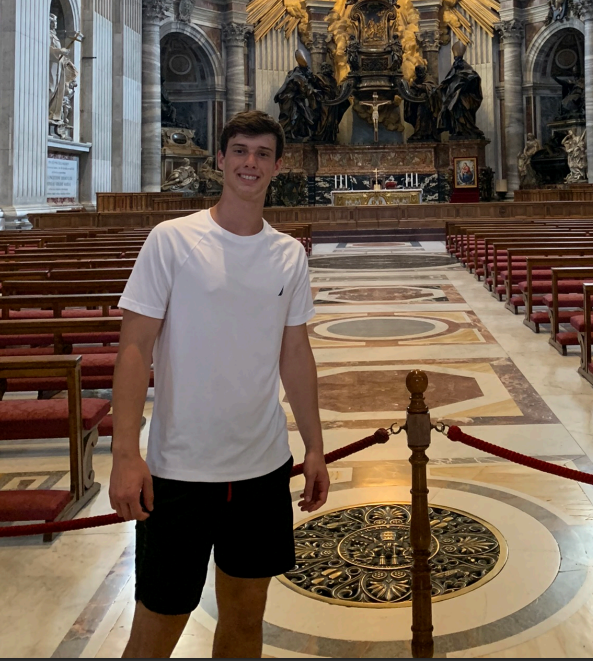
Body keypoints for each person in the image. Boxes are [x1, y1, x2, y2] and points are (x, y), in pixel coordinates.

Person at [109, 110, 329, 658]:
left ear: (278, 166)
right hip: (178, 472)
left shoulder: (288, 254)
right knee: (157, 627)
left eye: (261, 154)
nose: (249, 163)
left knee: (245, 619)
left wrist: (316, 447)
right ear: (221, 160)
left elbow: (296, 354)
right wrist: (124, 453)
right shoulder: (171, 240)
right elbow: (134, 349)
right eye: (239, 151)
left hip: (261, 469)